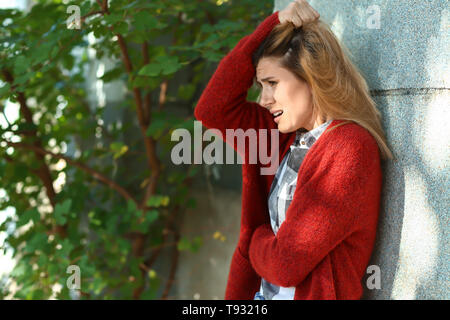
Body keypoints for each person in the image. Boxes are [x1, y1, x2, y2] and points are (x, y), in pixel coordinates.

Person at [194, 0, 394, 300]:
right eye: (261, 85)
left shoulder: (349, 147)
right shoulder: (280, 135)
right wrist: (271, 25)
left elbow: (285, 264)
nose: (264, 99)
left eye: (272, 83)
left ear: (312, 78)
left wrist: (254, 240)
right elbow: (212, 109)